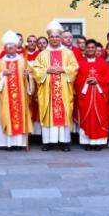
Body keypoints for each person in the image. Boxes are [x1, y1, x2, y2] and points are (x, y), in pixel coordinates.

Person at [32, 20, 79, 151]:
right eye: (52, 36)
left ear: (61, 37)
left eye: (57, 36)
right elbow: (36, 69)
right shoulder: (42, 54)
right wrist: (47, 70)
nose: (54, 39)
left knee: (63, 112)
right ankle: (48, 142)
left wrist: (63, 69)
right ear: (48, 37)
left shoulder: (68, 53)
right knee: (48, 113)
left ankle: (65, 142)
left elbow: (74, 67)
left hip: (63, 91)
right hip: (48, 91)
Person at [0, 30, 32, 150]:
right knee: (6, 115)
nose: (10, 47)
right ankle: (6, 143)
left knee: (20, 116)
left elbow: (31, 78)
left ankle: (19, 143)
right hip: (4, 98)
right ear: (4, 48)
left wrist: (28, 76)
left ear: (16, 47)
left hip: (20, 98)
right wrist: (2, 74)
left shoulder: (24, 61)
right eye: (8, 46)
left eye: (13, 45)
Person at [75, 39, 109, 150]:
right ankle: (86, 142)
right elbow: (76, 79)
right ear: (85, 49)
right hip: (85, 95)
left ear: (96, 49)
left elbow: (108, 77)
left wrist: (97, 80)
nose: (90, 49)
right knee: (86, 118)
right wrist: (86, 80)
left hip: (100, 96)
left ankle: (99, 142)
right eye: (88, 47)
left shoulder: (104, 63)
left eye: (93, 48)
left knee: (99, 117)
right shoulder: (80, 63)